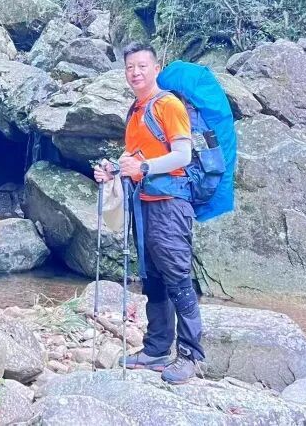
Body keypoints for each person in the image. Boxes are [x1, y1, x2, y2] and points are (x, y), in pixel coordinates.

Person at [94, 41, 205, 384]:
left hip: (171, 205)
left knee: (177, 278)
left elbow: (183, 155)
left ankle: (190, 355)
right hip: (143, 205)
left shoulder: (168, 105)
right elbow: (134, 158)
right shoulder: (135, 111)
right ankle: (156, 347)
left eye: (142, 66)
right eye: (130, 67)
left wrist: (142, 167)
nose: (135, 72)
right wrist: (113, 170)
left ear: (156, 68)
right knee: (153, 278)